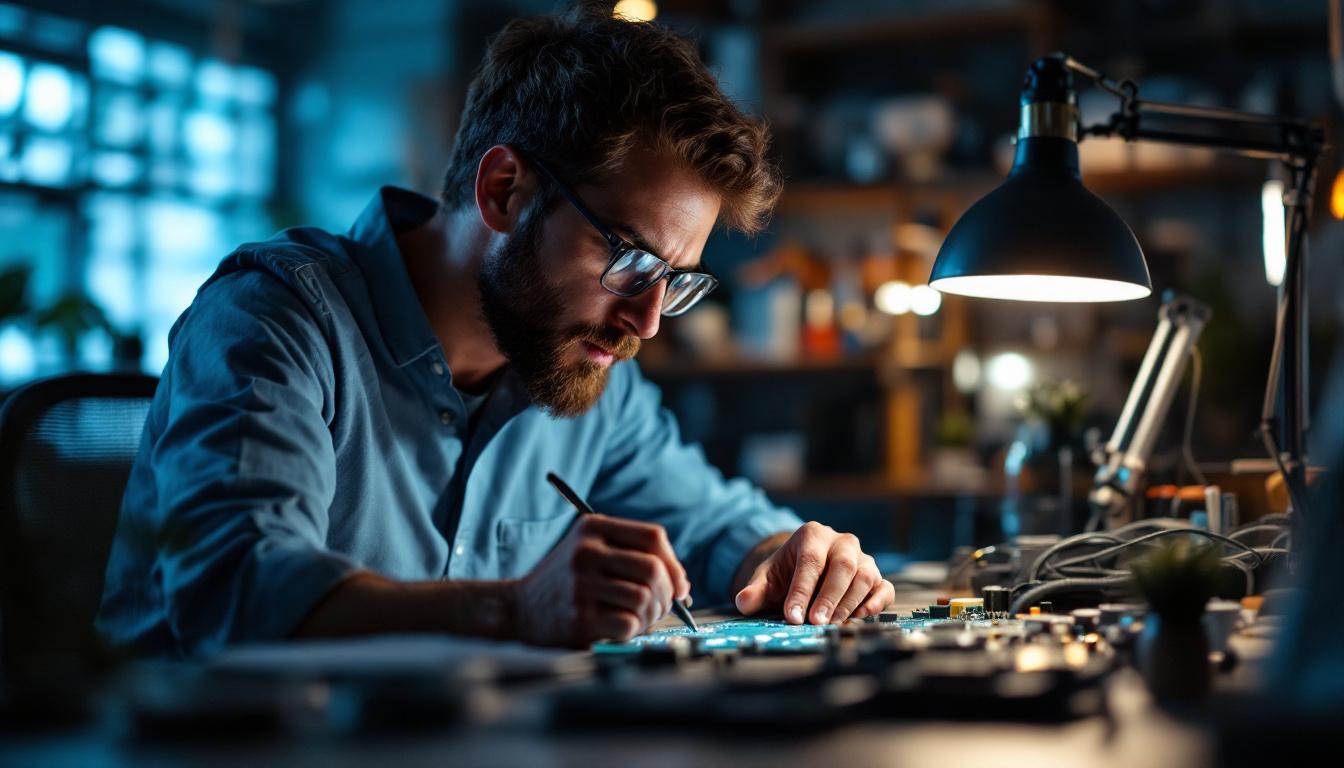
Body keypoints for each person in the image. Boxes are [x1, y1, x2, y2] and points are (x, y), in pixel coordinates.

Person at [97, 7, 894, 656]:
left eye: (674, 281)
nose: (646, 322)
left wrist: (790, 556)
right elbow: (234, 588)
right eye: (629, 259)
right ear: (506, 191)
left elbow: (718, 524)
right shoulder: (277, 318)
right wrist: (512, 610)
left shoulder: (582, 371)